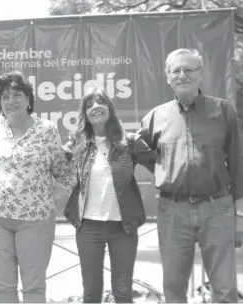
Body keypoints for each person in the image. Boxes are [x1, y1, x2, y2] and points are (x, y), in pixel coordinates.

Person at [137, 48, 243, 303]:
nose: (182, 75)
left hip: (218, 208)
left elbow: (237, 165)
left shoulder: (222, 111)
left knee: (224, 289)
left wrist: (242, 216)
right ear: (167, 77)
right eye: (176, 71)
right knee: (173, 289)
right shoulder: (156, 117)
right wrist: (163, 169)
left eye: (189, 69)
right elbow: (135, 150)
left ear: (201, 74)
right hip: (172, 210)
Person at [0, 71, 76, 303]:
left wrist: (49, 201)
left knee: (33, 286)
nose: (10, 100)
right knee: (3, 286)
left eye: (16, 94)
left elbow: (64, 174)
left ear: (28, 99)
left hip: (35, 222)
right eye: (4, 97)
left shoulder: (46, 130)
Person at [62, 87, 154, 303]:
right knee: (91, 292)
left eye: (101, 102)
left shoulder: (129, 142)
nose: (95, 107)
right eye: (89, 104)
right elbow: (56, 168)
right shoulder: (78, 143)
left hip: (123, 227)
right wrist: (68, 154)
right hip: (88, 227)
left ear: (110, 108)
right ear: (84, 113)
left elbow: (162, 166)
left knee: (122, 292)